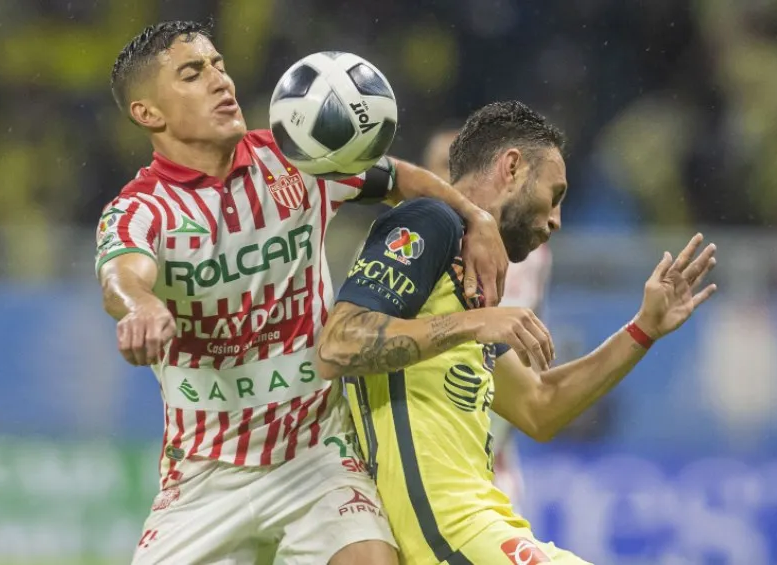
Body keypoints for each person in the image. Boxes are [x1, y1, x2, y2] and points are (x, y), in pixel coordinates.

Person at [97, 20, 509, 565]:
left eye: (219, 65)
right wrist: (141, 306)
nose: (221, 81)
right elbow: (122, 274)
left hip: (316, 455)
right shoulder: (143, 207)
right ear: (148, 113)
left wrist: (476, 217)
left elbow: (398, 179)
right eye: (192, 74)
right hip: (204, 474)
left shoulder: (296, 156)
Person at [317, 101, 718, 564]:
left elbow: (538, 405)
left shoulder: (467, 278)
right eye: (555, 194)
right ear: (512, 167)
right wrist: (474, 322)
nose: (556, 220)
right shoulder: (429, 220)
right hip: (447, 533)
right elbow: (338, 343)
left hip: (485, 522)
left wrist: (643, 330)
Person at [423, 127, 553, 508]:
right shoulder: (403, 244)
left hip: (483, 460)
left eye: (457, 171)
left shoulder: (517, 249)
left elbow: (501, 346)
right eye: (437, 168)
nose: (447, 183)